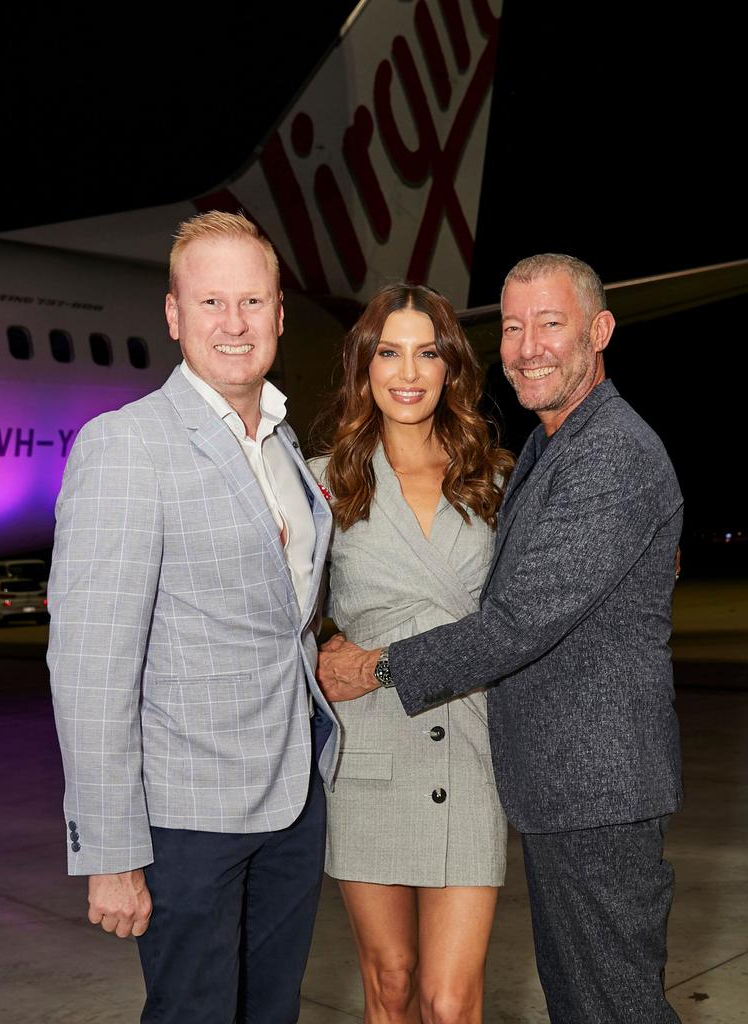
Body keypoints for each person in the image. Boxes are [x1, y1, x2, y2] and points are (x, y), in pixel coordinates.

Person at [318, 255, 684, 1024]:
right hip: (524, 779)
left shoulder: (568, 458)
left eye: (550, 325)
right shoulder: (542, 454)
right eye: (513, 328)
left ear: (599, 331)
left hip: (583, 781)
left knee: (603, 1004)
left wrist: (376, 665)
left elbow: (518, 620)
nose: (527, 346)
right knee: (579, 1000)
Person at [48, 210, 338, 1024]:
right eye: (210, 303)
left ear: (280, 315)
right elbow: (91, 665)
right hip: (186, 821)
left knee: (269, 1012)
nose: (235, 324)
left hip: (291, 803)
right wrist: (110, 854)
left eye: (253, 302)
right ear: (175, 317)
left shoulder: (282, 445)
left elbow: (286, 621)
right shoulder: (127, 445)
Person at [309, 282, 513, 1023]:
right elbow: (277, 608)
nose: (408, 371)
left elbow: (532, 607)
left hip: (469, 751)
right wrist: (319, 656)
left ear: (451, 369)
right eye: (388, 352)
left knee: (450, 1000)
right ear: (365, 366)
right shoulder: (325, 481)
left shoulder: (497, 480)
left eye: (427, 352)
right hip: (371, 758)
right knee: (390, 982)